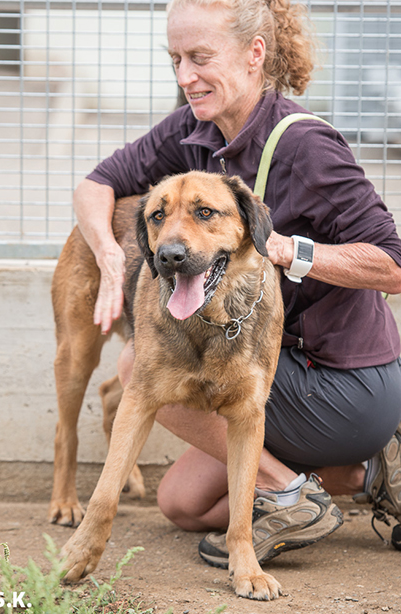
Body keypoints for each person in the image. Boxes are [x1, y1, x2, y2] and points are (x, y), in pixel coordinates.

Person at [72, 0, 401, 566]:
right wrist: (107, 254)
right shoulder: (194, 127)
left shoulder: (307, 145)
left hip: (342, 380)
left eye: (200, 57)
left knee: (139, 364)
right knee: (183, 504)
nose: (185, 77)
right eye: (175, 59)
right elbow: (97, 183)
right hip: (265, 357)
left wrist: (286, 248)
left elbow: (393, 263)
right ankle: (367, 472)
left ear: (255, 54)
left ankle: (293, 492)